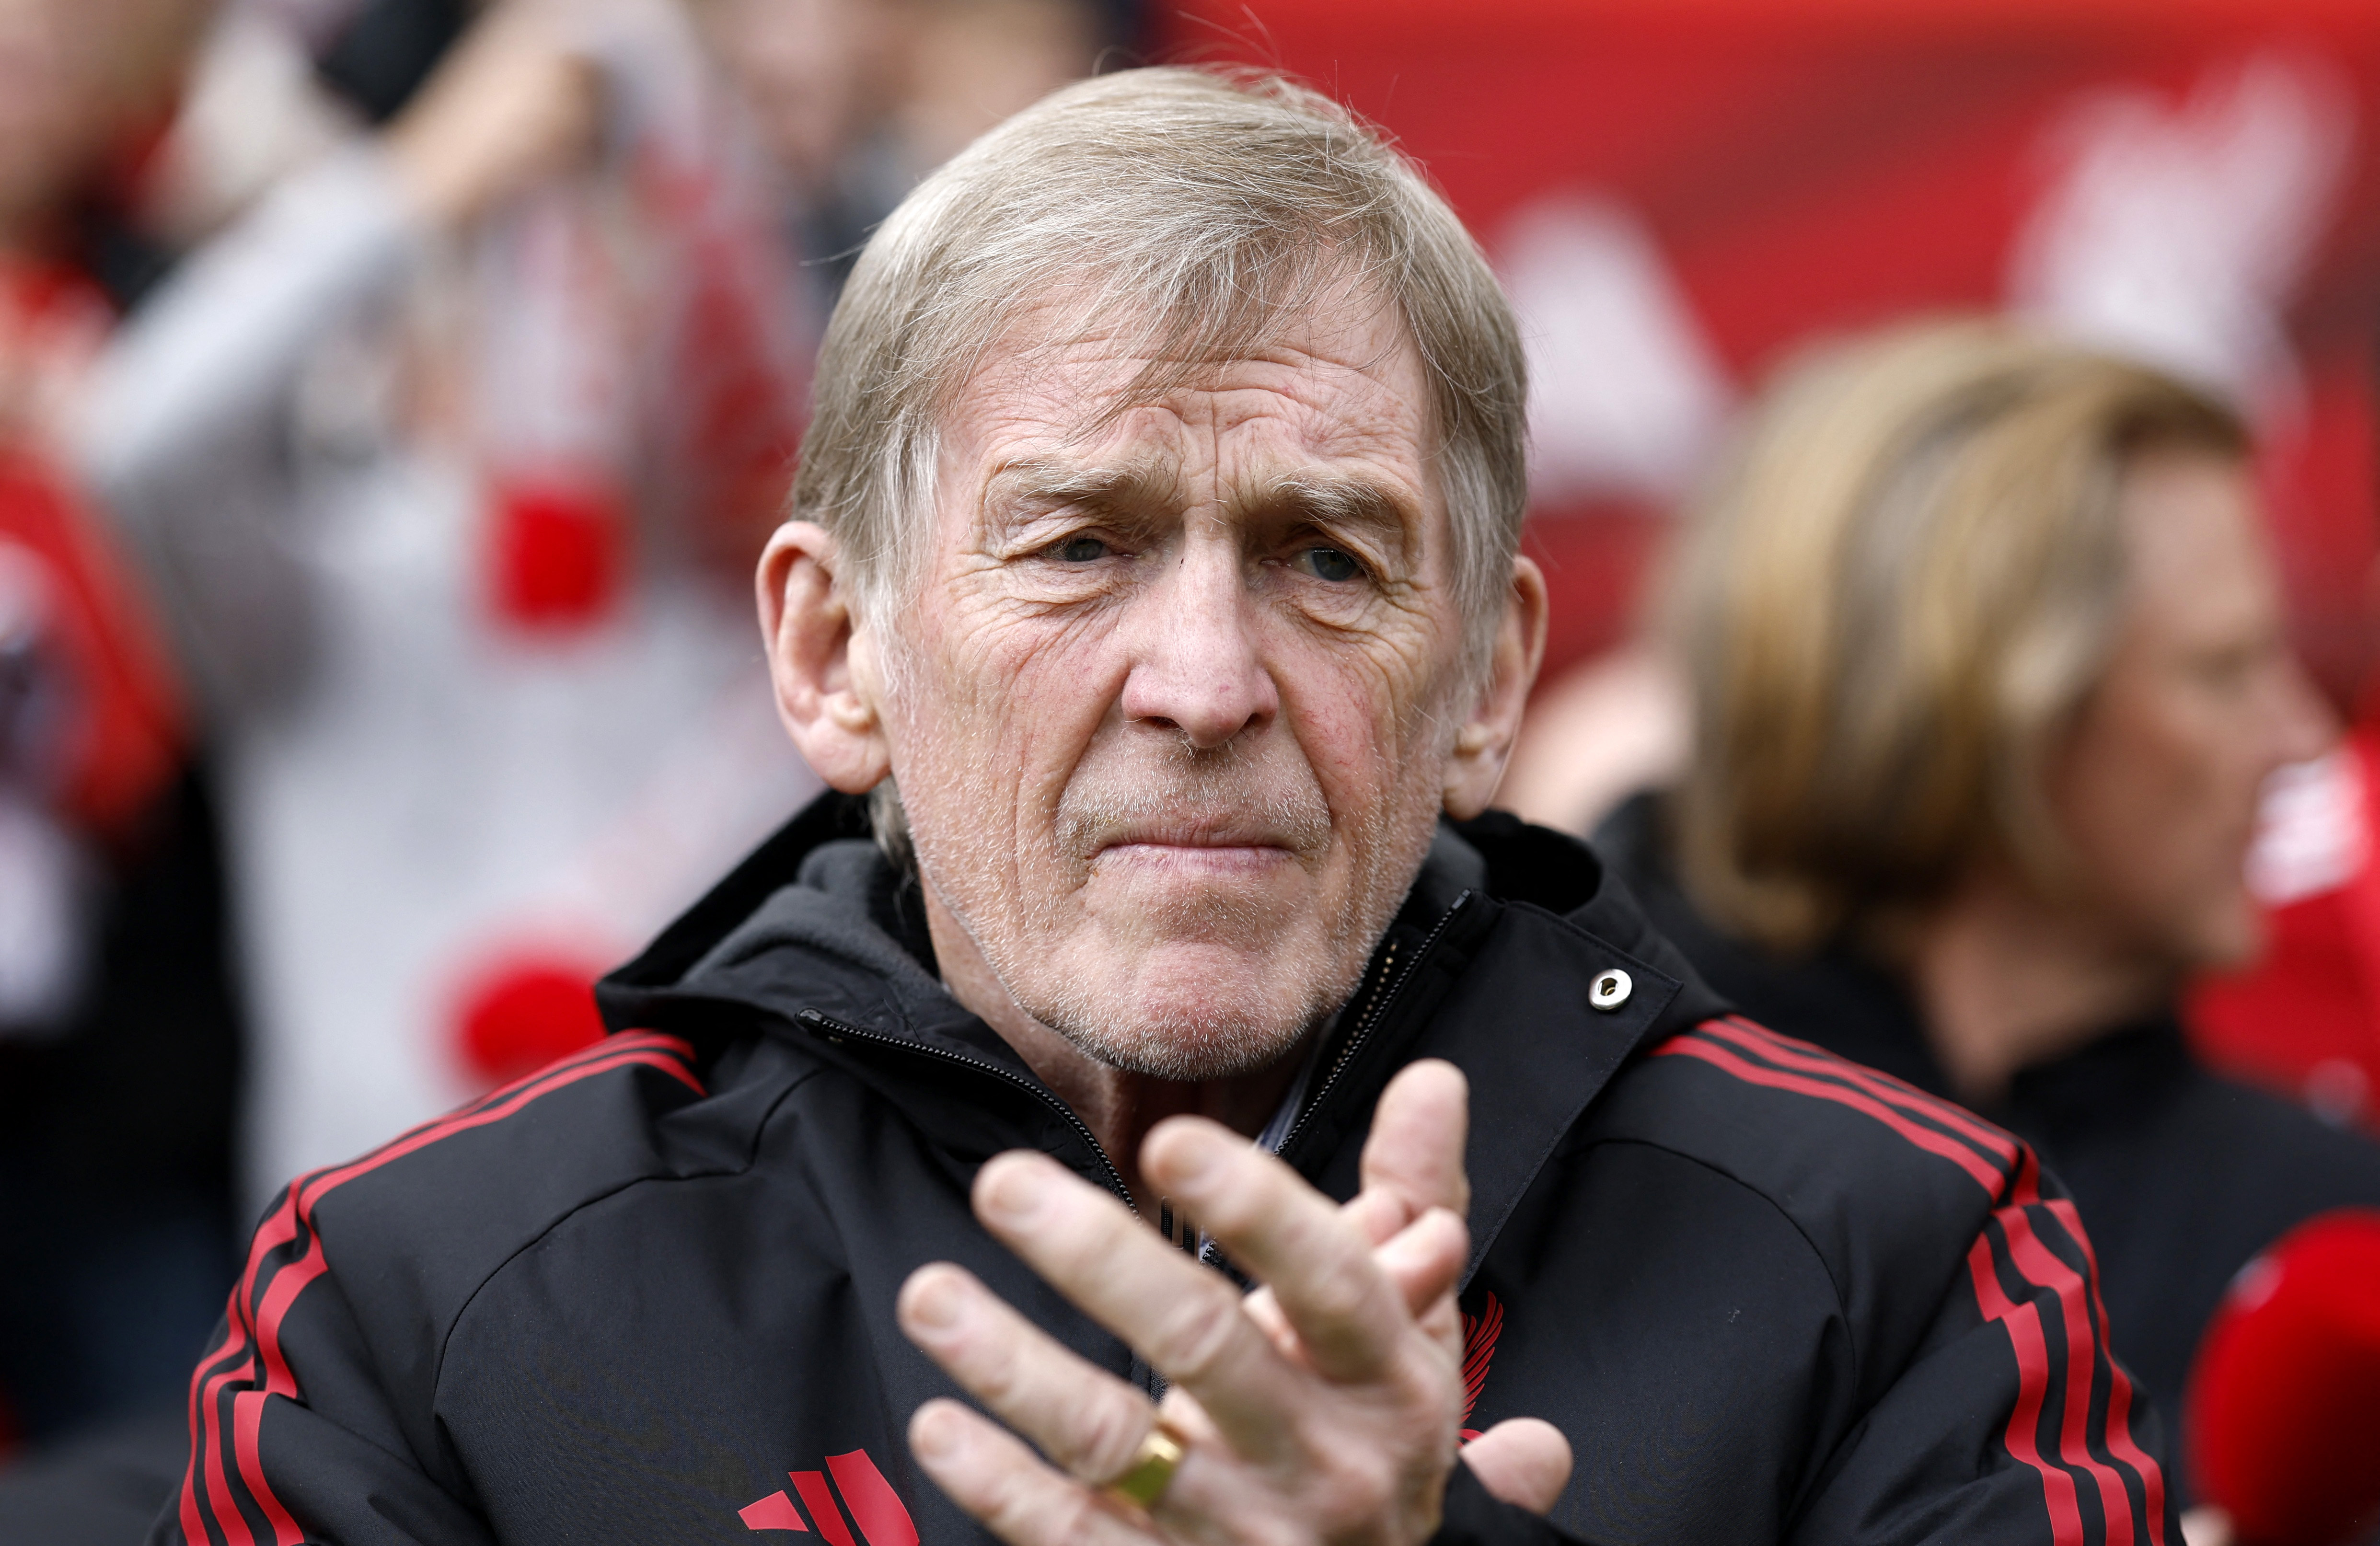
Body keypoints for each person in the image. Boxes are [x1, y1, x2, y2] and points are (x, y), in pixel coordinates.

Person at [164, 73, 2172, 1546]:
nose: (1203, 682)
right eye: (1077, 546)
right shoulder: (421, 1310)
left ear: (1484, 682)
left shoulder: (1900, 1259)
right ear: (834, 653)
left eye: (1323, 557)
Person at [1592, 318, 2380, 1514]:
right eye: (2222, 670)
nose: (2299, 738)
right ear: (1983, 712)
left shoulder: (2321, 1234)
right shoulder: (1564, 1116)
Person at [79, 0, 820, 1211]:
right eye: (520, 274)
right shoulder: (323, 589)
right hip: (353, 1268)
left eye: (622, 268)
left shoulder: (748, 608)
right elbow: (137, 442)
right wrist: (420, 183)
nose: (574, 337)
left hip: (678, 1253)